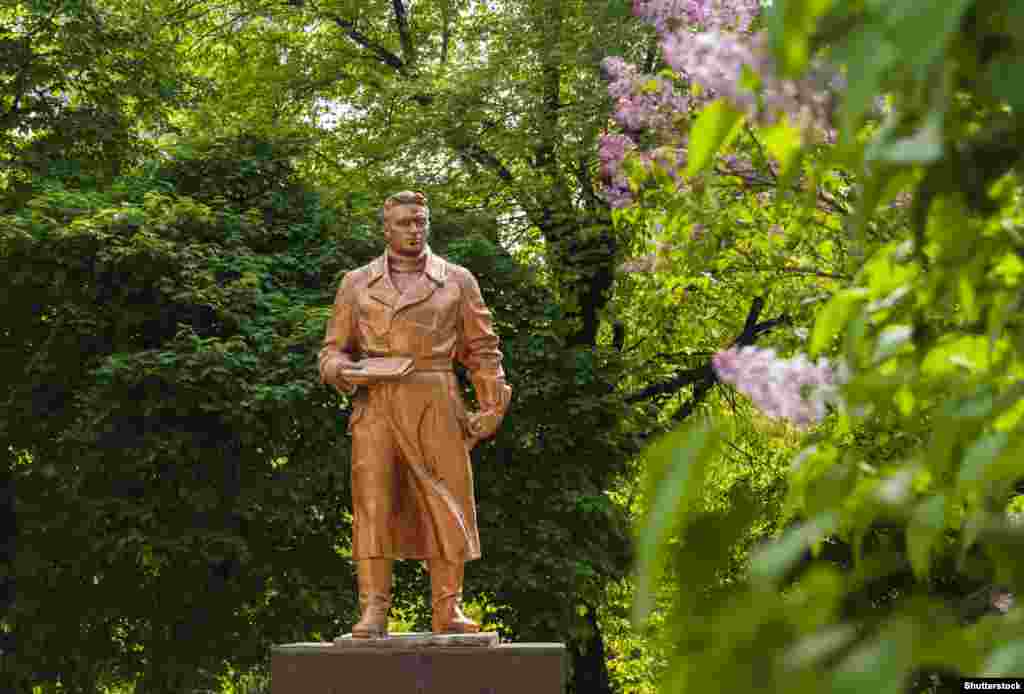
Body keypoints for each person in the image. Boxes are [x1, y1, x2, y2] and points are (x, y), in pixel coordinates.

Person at [318, 190, 512, 637]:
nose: (414, 229)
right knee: (373, 502)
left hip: (437, 400)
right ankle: (374, 610)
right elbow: (331, 351)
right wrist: (342, 369)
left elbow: (482, 348)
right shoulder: (356, 283)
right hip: (376, 404)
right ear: (386, 229)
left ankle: (448, 608)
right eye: (404, 222)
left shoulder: (457, 280)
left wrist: (490, 403)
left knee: (448, 500)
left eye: (420, 221)